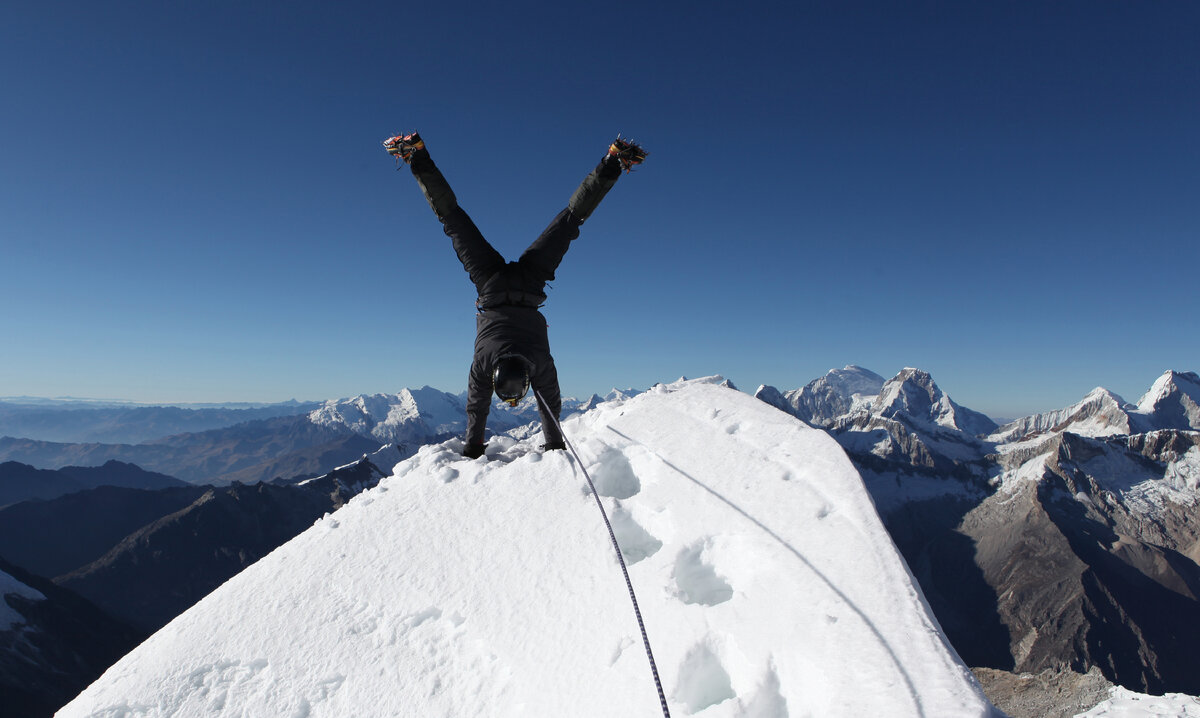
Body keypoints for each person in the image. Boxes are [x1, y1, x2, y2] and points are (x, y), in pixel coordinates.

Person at [384, 132, 646, 459]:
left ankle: (613, 161)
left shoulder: (539, 363)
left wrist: (552, 443)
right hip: (490, 283)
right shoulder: (484, 364)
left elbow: (548, 403)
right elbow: (477, 406)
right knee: (453, 219)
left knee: (569, 222)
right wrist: (473, 446)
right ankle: (416, 155)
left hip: (530, 283)